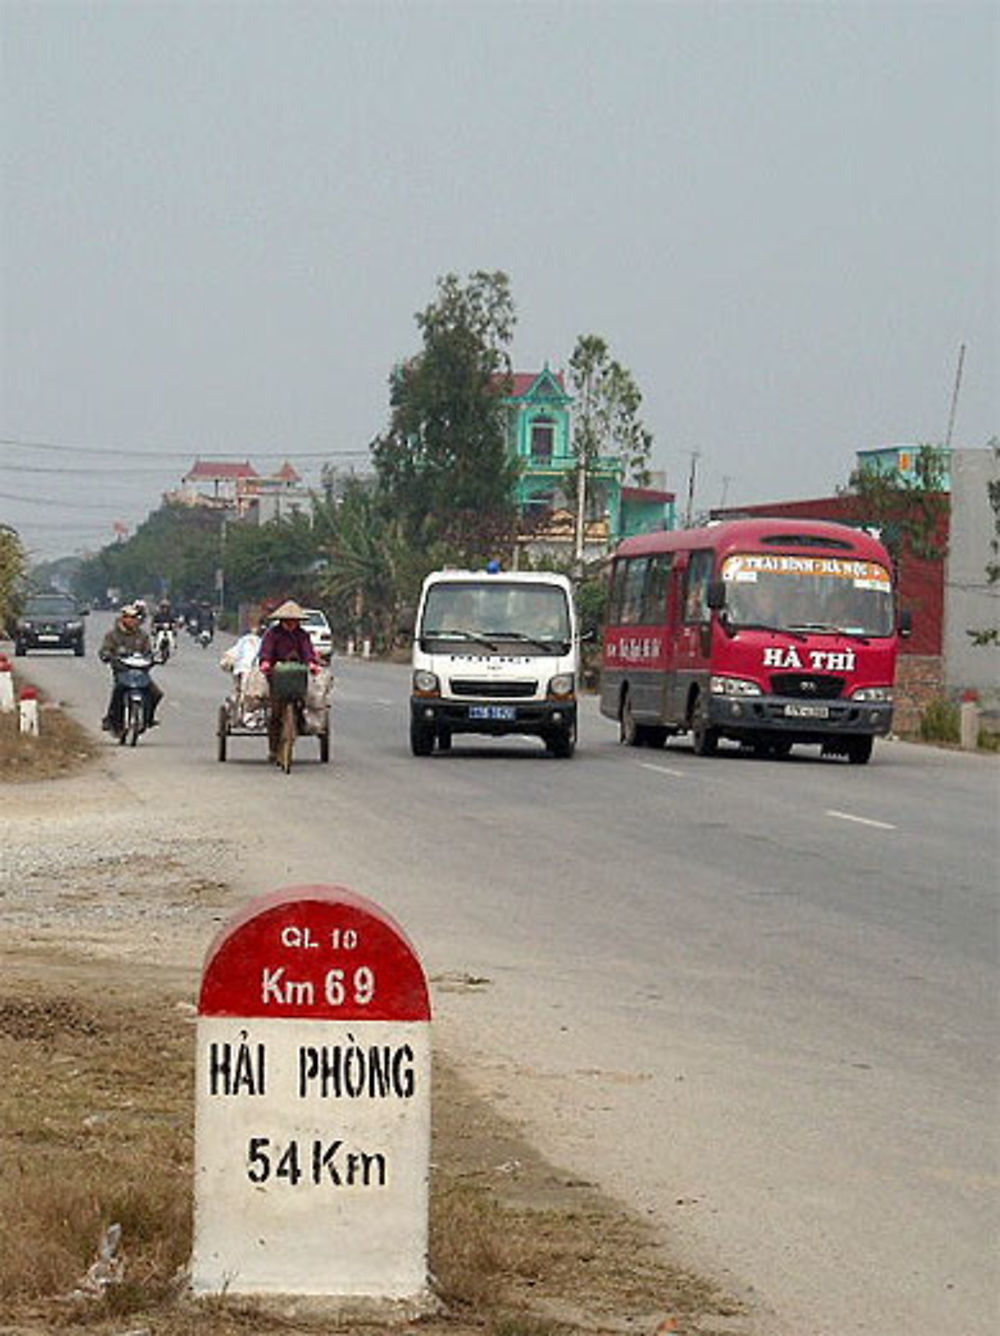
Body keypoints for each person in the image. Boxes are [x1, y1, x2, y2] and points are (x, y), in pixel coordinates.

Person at [258, 600, 320, 762]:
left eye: (295, 621)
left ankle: (298, 725)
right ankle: (273, 749)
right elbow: (266, 651)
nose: (292, 623)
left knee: (301, 704)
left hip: (297, 676)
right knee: (276, 713)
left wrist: (312, 663)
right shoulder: (273, 634)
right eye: (289, 620)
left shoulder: (302, 635)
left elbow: (308, 652)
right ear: (282, 620)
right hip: (277, 676)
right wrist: (265, 662)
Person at [98, 604, 164, 732]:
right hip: (122, 672)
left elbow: (148, 652)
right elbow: (105, 650)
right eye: (129, 617)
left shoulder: (142, 636)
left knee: (156, 693)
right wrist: (107, 655)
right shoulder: (112, 635)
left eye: (135, 618)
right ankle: (113, 721)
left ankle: (148, 719)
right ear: (123, 618)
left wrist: (153, 659)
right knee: (118, 694)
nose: (133, 621)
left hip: (141, 673)